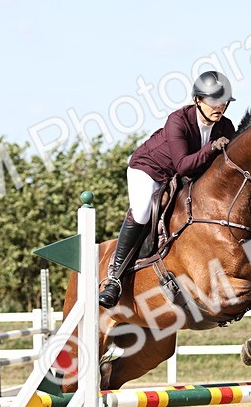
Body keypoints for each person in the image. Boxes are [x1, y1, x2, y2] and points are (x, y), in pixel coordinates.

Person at [98, 71, 238, 307]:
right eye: (213, 101)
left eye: (223, 102)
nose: (219, 107)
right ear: (198, 100)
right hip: (149, 170)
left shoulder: (225, 126)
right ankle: (114, 279)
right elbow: (183, 165)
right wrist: (212, 148)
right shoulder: (178, 120)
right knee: (143, 210)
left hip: (181, 177)